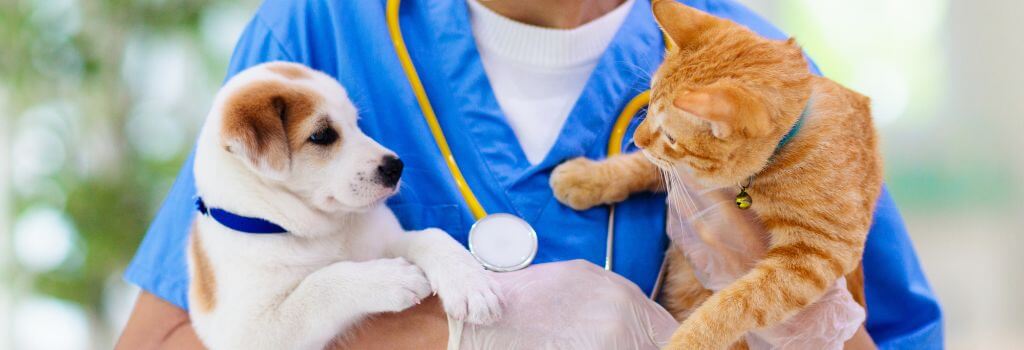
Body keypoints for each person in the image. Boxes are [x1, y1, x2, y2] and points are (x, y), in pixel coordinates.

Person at [116, 0, 943, 349]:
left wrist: (794, 322)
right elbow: (162, 341)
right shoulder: (321, 32)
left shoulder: (755, 68)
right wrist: (460, 332)